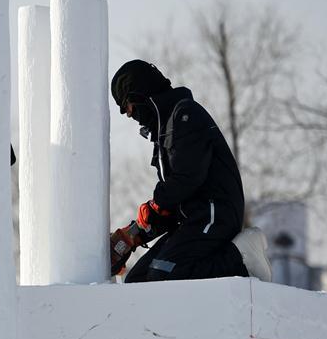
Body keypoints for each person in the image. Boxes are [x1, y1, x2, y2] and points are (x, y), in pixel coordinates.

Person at [109, 59, 272, 283]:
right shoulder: (164, 132)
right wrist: (135, 235)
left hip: (215, 212)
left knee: (165, 273)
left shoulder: (185, 115)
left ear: (141, 94)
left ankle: (240, 259)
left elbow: (187, 178)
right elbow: (174, 202)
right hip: (191, 219)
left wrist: (156, 204)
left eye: (126, 105)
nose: (128, 114)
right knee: (138, 281)